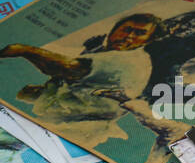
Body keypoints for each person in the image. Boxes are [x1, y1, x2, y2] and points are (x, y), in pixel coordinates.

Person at [1, 13, 160, 124]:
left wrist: (23, 50)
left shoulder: (128, 59)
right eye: (126, 29)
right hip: (67, 108)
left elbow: (69, 68)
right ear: (114, 30)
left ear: (149, 40)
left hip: (74, 124)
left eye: (140, 33)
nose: (129, 36)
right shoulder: (115, 52)